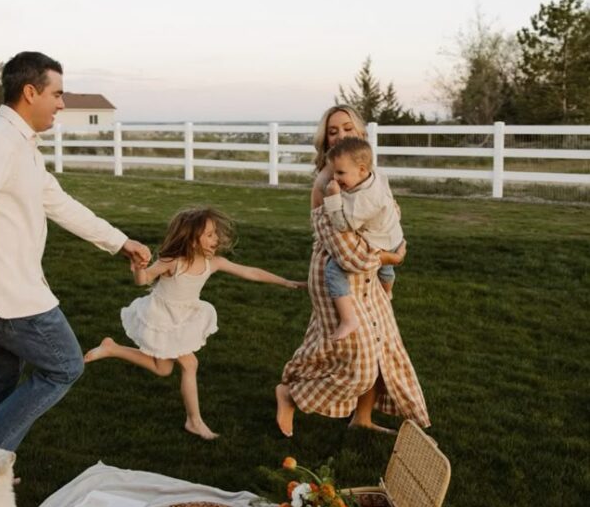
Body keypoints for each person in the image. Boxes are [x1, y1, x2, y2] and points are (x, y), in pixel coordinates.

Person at [0, 51, 151, 501]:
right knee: (64, 365)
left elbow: (58, 202)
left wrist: (119, 241)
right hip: (3, 294)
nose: (62, 104)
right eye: (57, 93)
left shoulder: (20, 145)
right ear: (30, 92)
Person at [85, 206, 306, 440]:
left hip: (184, 317)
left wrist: (285, 282)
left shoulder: (214, 263)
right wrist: (139, 269)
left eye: (215, 233)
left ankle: (112, 348)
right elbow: (143, 280)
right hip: (162, 316)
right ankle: (194, 421)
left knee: (163, 369)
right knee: (190, 364)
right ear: (191, 240)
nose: (216, 238)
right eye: (210, 234)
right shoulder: (172, 262)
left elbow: (250, 272)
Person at [275, 105, 429, 437]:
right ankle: (291, 394)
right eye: (333, 131)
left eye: (348, 128)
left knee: (381, 347)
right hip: (336, 271)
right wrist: (388, 259)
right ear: (325, 140)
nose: (341, 135)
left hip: (367, 267)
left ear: (360, 134)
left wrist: (391, 246)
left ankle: (362, 418)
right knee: (357, 360)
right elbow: (339, 242)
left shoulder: (368, 175)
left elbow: (390, 216)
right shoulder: (327, 181)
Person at [323, 137, 405, 340]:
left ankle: (348, 318)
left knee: (334, 270)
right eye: (334, 172)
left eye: (340, 173)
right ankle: (387, 293)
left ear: (361, 169)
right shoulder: (375, 176)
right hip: (394, 235)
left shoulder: (363, 200)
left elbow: (342, 225)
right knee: (387, 270)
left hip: (380, 241)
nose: (335, 178)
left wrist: (332, 197)